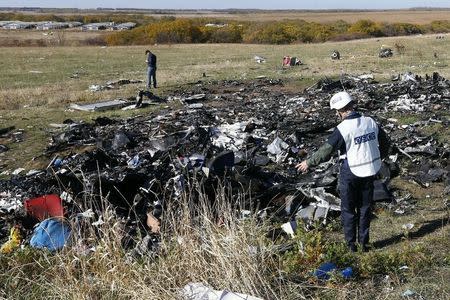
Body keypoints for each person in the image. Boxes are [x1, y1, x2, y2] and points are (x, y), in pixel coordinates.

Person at [296, 91, 390, 252]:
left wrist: (308, 162)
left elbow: (326, 151)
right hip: (370, 171)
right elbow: (385, 142)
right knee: (365, 207)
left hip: (350, 171)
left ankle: (351, 245)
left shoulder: (343, 129)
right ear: (352, 105)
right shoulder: (370, 122)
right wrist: (377, 158)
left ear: (339, 111)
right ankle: (363, 243)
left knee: (348, 208)